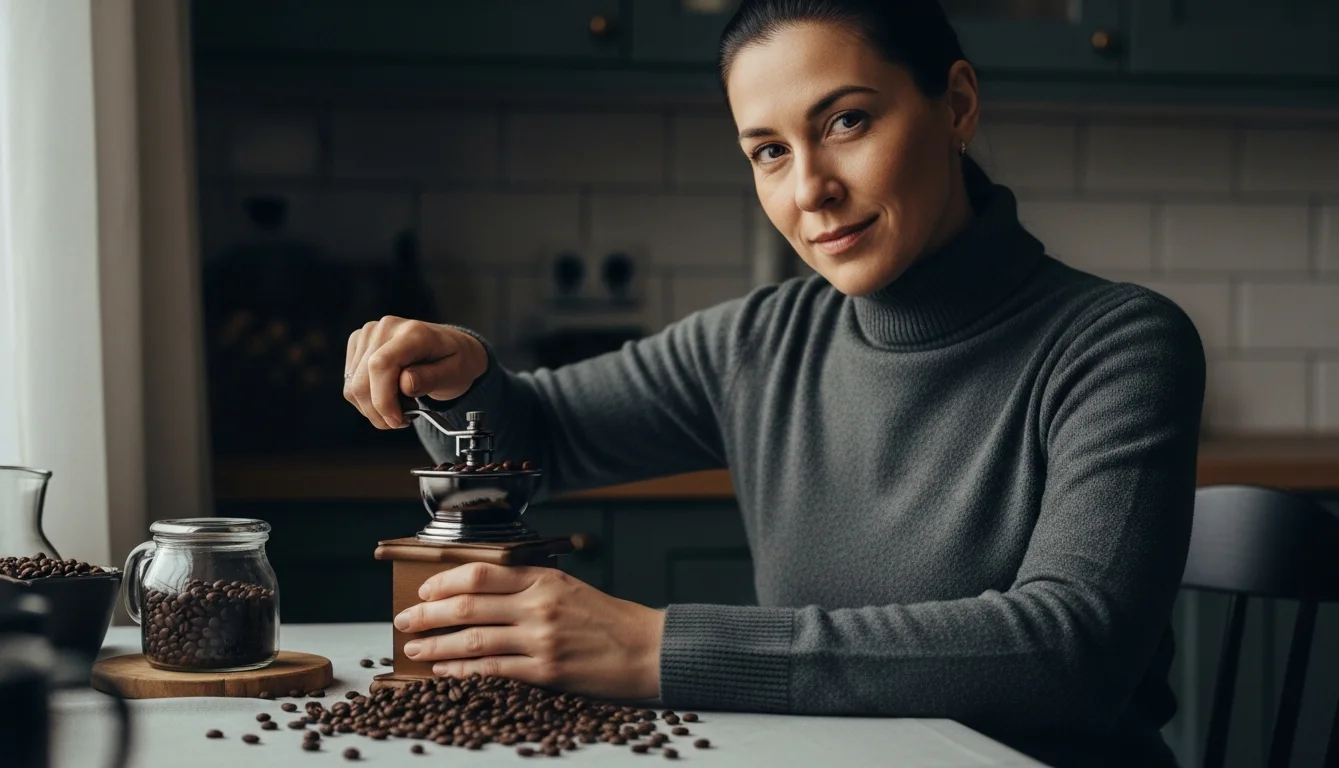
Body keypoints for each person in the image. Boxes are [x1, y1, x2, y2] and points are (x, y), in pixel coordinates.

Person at [341, 1, 1206, 765]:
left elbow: (1073, 653)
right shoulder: (763, 341)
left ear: (958, 105)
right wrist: (460, 373)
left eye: (846, 123)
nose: (811, 191)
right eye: (768, 151)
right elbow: (537, 434)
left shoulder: (1117, 344)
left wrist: (657, 648)